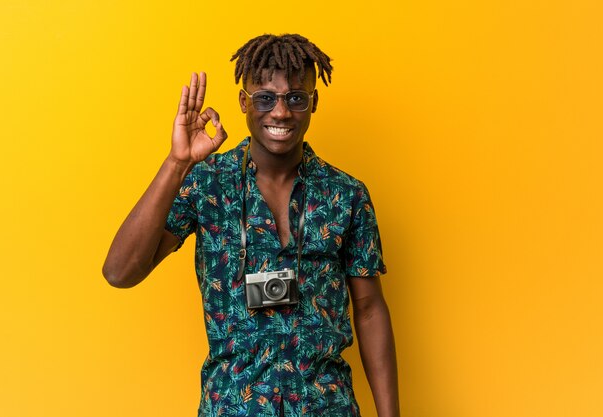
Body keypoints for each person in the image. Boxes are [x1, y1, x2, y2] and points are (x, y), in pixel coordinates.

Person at [103, 33, 399, 417]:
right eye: (265, 98)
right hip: (232, 407)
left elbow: (371, 309)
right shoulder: (207, 183)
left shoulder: (346, 194)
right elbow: (120, 272)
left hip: (326, 407)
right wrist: (178, 163)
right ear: (244, 102)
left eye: (296, 97)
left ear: (313, 103)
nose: (280, 112)